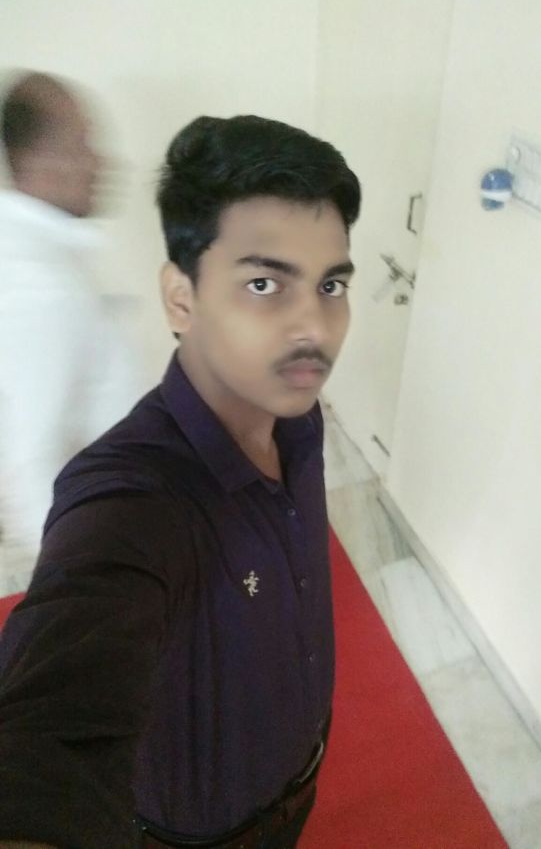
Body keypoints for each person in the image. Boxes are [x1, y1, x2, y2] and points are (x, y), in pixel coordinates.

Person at [0, 113, 361, 849]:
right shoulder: (134, 500)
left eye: (330, 284)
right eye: (264, 282)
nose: (314, 328)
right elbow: (47, 734)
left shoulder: (300, 422)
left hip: (301, 777)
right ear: (181, 298)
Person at [0, 71, 141, 596]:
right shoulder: (38, 285)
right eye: (82, 144)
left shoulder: (44, 258)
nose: (100, 162)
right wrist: (97, 590)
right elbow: (27, 464)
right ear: (39, 161)